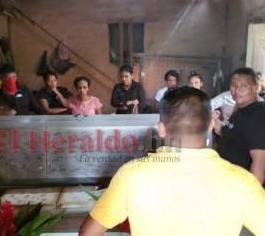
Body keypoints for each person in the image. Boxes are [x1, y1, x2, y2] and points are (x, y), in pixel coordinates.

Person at [79, 86, 265, 236]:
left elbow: (89, 232)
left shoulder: (132, 175)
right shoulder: (242, 181)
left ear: (161, 129)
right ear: (210, 125)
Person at [215, 67, 265, 184]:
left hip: (243, 188)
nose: (236, 90)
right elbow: (230, 134)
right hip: (231, 182)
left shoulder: (259, 114)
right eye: (233, 85)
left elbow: (260, 163)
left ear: (256, 87)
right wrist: (215, 121)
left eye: (243, 86)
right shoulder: (240, 111)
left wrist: (251, 197)